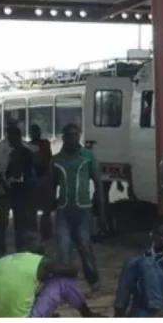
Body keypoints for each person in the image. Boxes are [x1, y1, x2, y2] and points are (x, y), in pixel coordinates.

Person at [0, 233, 100, 318]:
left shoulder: (1, 262)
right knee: (62, 282)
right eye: (40, 243)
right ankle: (87, 314)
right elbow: (71, 272)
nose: (44, 246)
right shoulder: (38, 262)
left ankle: (44, 312)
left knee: (33, 284)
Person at [53, 124, 105, 292]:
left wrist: (101, 213)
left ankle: (94, 283)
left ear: (79, 136)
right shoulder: (56, 160)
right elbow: (50, 187)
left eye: (74, 135)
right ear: (63, 138)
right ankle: (64, 288)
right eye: (68, 135)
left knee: (85, 247)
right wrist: (46, 213)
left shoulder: (88, 157)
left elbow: (98, 184)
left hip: (83, 210)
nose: (71, 138)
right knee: (63, 250)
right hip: (63, 210)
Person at [114, 219, 163, 317]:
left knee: (147, 262)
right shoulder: (146, 252)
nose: (159, 238)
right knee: (131, 262)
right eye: (156, 234)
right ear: (151, 235)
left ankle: (156, 310)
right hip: (144, 302)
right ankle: (119, 310)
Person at [0, 125, 35, 256]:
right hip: (6, 190)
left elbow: (29, 171)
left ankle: (19, 247)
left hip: (19, 191)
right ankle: (1, 249)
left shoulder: (25, 150)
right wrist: (6, 186)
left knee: (19, 220)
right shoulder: (1, 148)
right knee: (4, 220)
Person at [29, 124, 55, 241]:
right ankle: (44, 232)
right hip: (40, 178)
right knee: (43, 209)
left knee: (42, 209)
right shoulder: (44, 144)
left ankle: (43, 232)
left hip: (40, 178)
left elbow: (48, 160)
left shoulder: (37, 145)